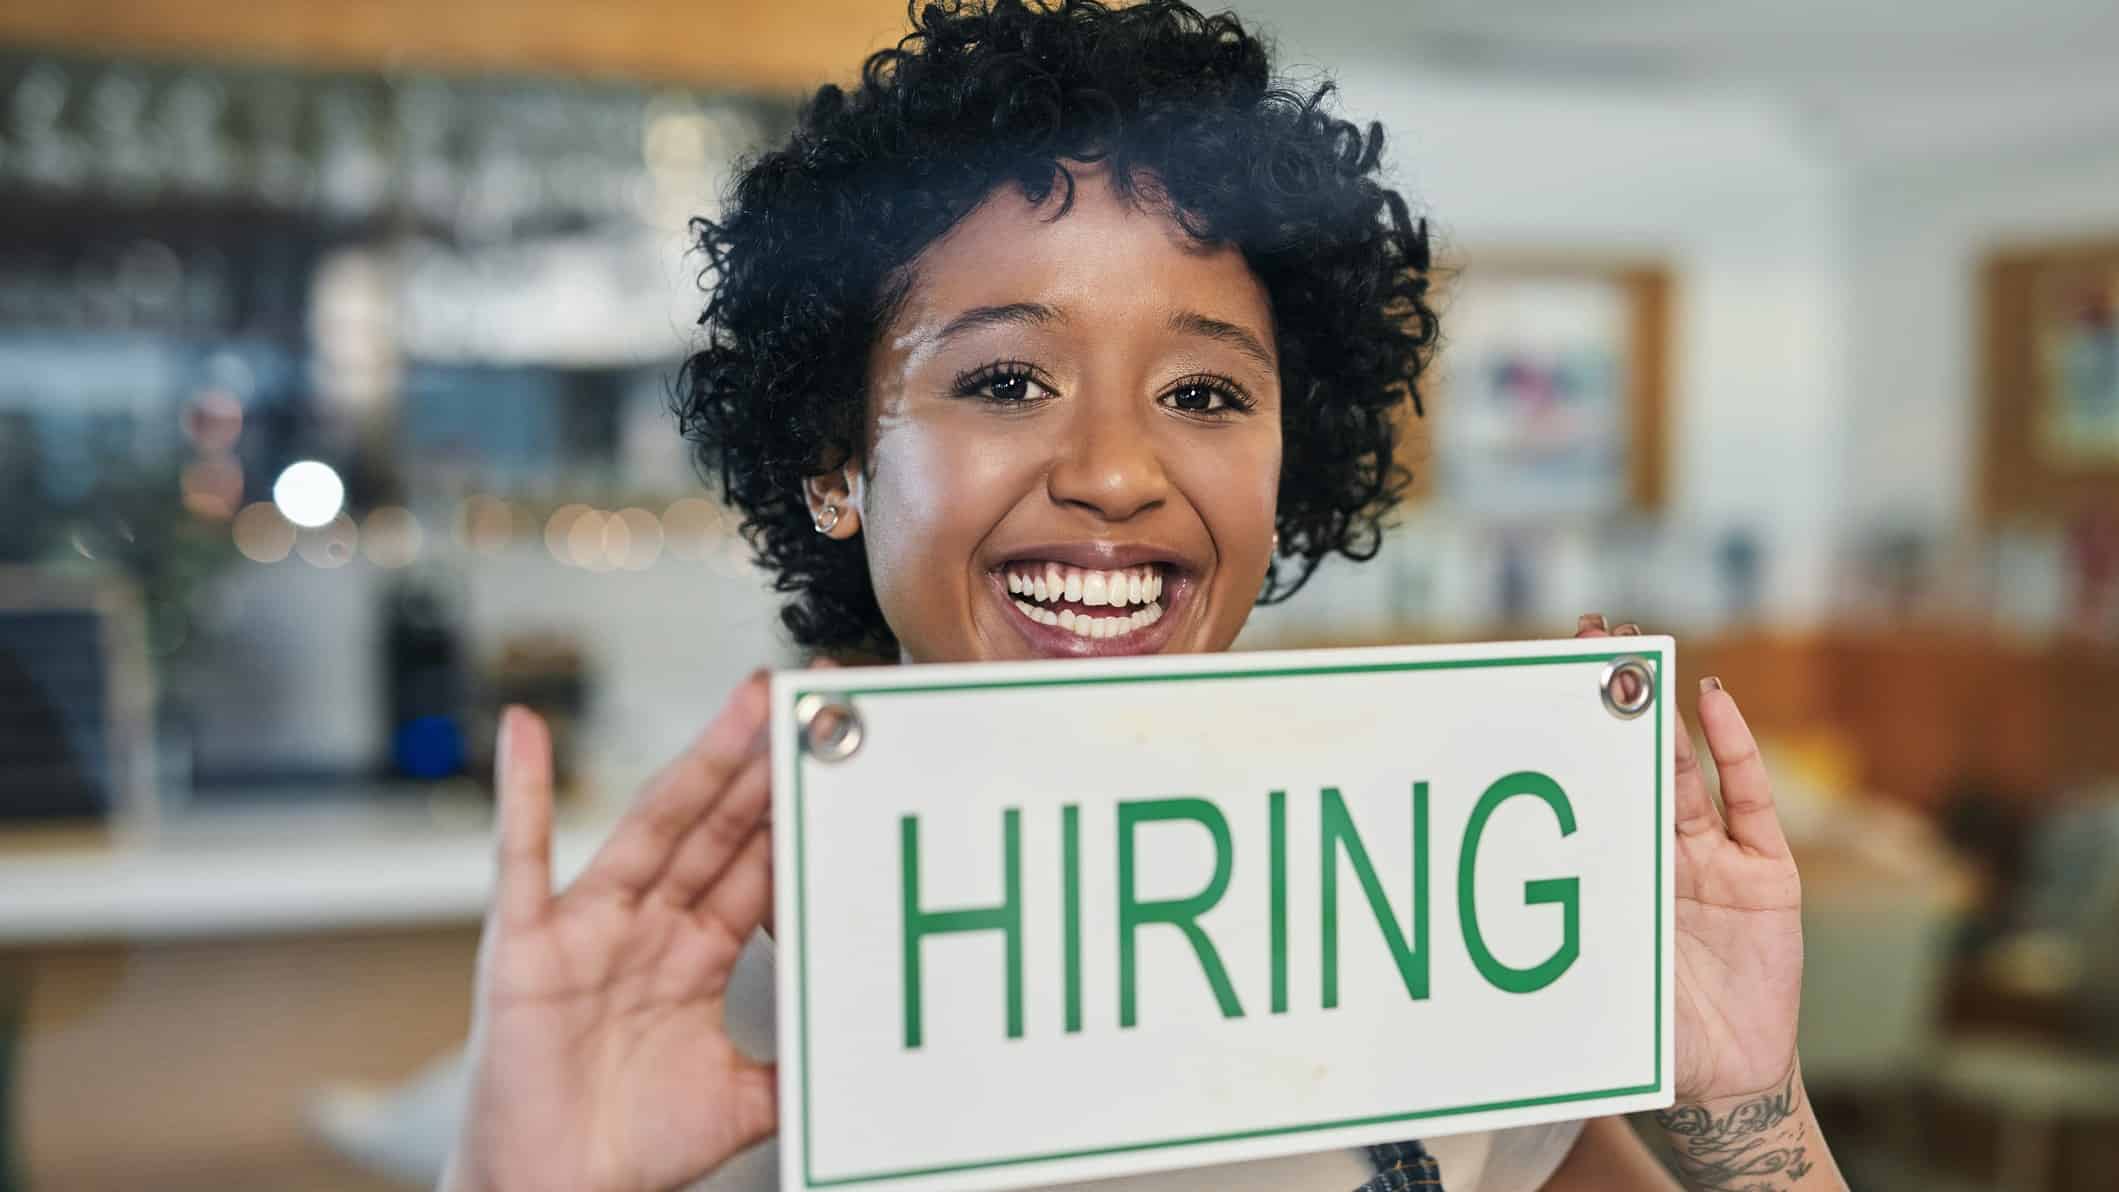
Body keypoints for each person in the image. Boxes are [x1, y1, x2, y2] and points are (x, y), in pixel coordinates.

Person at [441, 2, 1845, 1188]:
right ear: (834, 459)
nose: (1116, 470)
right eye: (1003, 379)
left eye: (1204, 392)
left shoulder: (1429, 920)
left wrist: (1748, 1107)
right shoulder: (699, 1000)